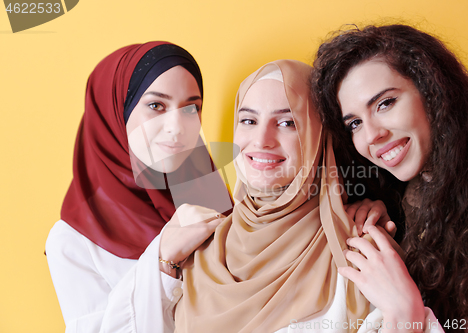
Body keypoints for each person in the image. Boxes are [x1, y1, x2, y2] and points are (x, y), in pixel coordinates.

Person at [101, 59, 443, 332]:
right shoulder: (196, 245)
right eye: (248, 121)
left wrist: (407, 314)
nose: (261, 140)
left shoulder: (360, 250)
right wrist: (162, 261)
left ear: (317, 139)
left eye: (288, 122)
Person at [311, 24, 468, 329]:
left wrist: (407, 313)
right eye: (355, 123)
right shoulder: (411, 205)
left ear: (434, 93)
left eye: (385, 103)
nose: (372, 134)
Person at [45, 42, 233, 332]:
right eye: (156, 105)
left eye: (190, 107)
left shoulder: (210, 196)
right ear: (114, 113)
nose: (176, 126)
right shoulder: (73, 241)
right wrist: (163, 258)